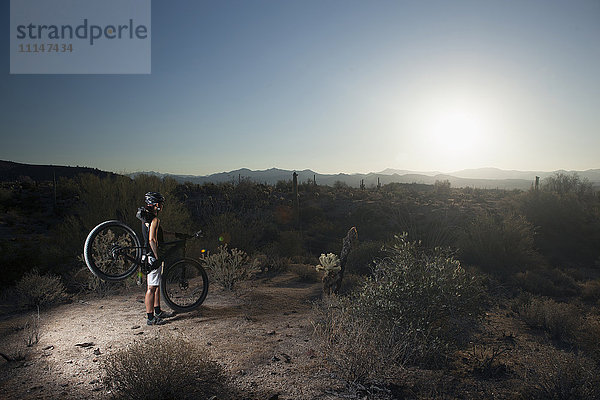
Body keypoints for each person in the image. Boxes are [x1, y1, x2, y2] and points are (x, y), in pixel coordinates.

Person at [136, 191, 173, 325]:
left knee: (156, 285)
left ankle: (157, 311)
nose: (162, 206)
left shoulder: (147, 217)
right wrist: (157, 257)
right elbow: (152, 239)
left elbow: (157, 233)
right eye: (161, 204)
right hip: (152, 256)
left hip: (146, 256)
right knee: (151, 288)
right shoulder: (155, 219)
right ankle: (150, 318)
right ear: (156, 204)